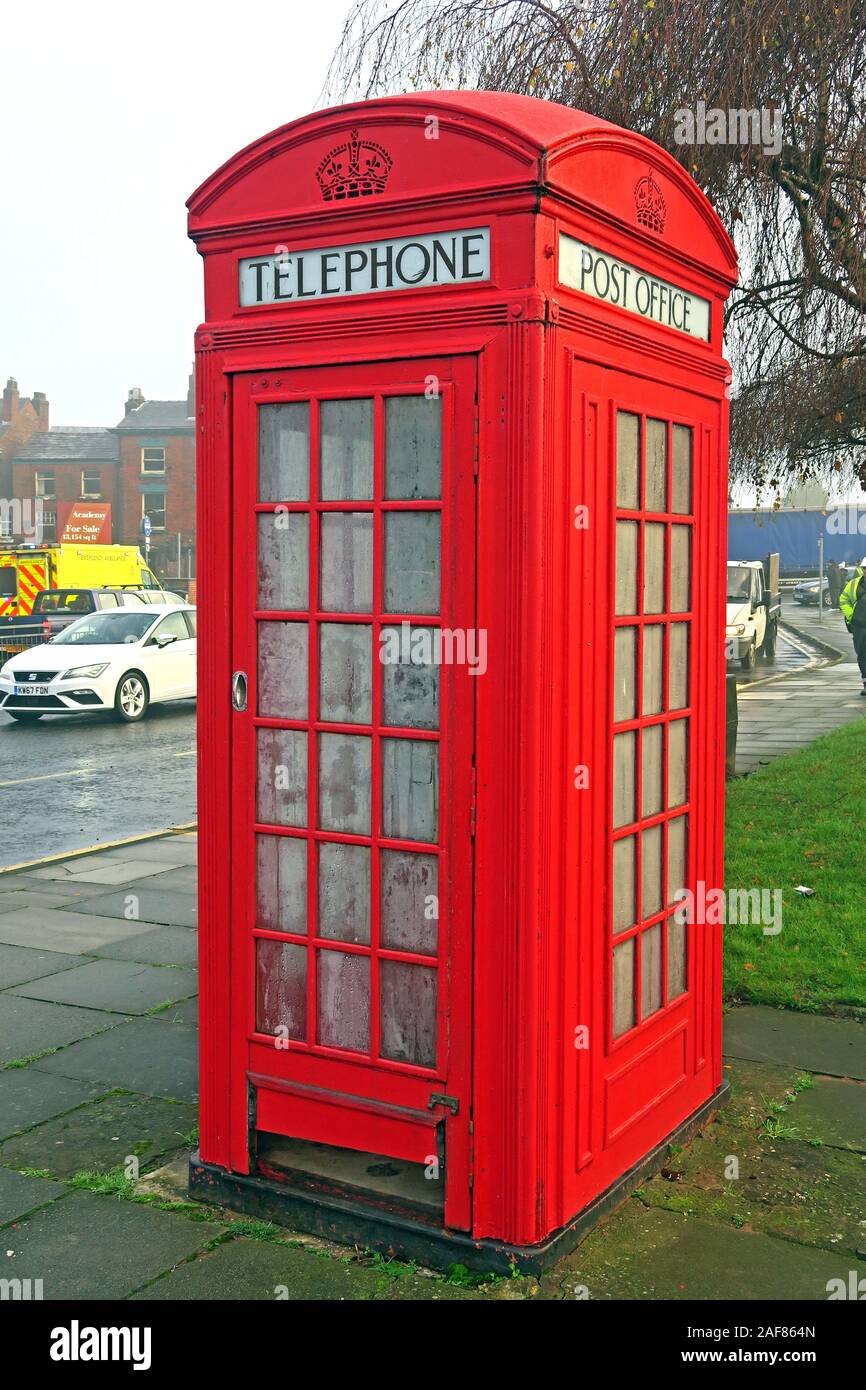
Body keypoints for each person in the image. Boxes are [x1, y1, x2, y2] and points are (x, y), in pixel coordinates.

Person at [838, 557, 866, 696]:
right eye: (865, 569)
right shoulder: (854, 583)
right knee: (862, 655)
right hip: (859, 626)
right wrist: (851, 616)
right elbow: (843, 600)